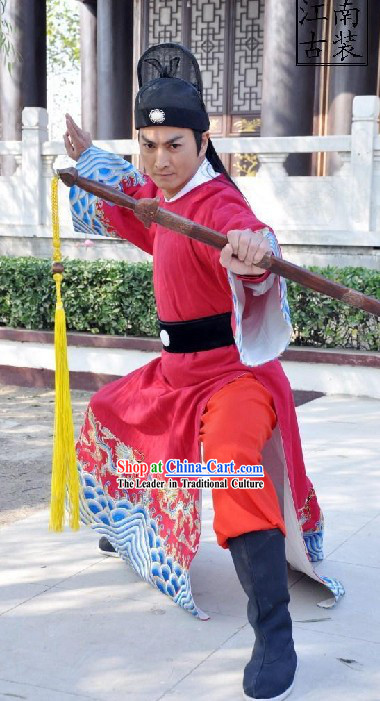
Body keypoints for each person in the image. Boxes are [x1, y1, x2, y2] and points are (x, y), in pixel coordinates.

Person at [64, 43, 344, 701]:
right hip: (175, 373)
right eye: (149, 143)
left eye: (175, 145)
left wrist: (254, 252)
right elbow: (123, 196)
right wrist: (86, 158)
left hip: (234, 377)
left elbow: (252, 234)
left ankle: (274, 632)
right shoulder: (159, 199)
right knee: (107, 412)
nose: (160, 158)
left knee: (231, 460)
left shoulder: (217, 206)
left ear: (203, 141)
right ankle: (139, 526)